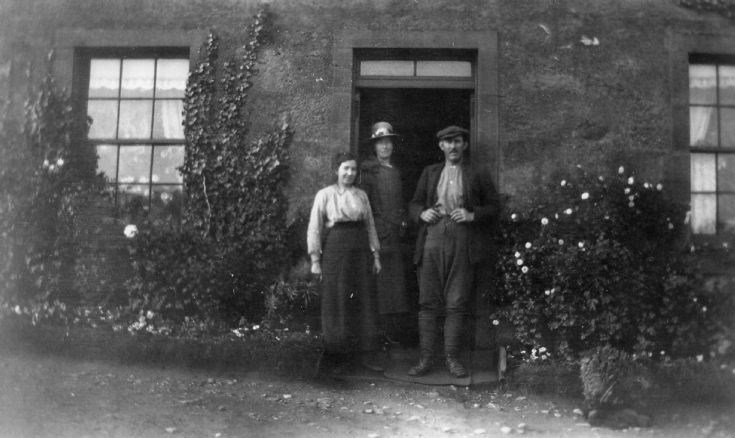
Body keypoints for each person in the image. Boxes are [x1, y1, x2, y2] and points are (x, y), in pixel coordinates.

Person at [407, 125, 500, 378]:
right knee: (427, 302)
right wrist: (421, 213)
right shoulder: (430, 172)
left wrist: (472, 214)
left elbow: (494, 207)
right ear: (441, 146)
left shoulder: (476, 173)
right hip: (433, 237)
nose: (453, 146)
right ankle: (426, 359)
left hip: (463, 239)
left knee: (456, 302)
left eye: (457, 141)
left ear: (464, 145)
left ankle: (451, 358)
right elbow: (414, 203)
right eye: (448, 142)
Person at [307, 152, 384, 374]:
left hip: (360, 249)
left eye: (353, 169)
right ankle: (337, 357)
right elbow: (315, 227)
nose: (350, 173)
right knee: (337, 299)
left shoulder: (361, 195)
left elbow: (370, 225)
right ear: (337, 170)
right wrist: (315, 259)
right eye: (345, 169)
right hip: (336, 247)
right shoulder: (325, 195)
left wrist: (376, 255)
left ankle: (365, 355)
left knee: (364, 300)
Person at [359, 122, 411, 343]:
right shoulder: (369, 171)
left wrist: (404, 221)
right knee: (381, 285)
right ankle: (379, 334)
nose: (385, 147)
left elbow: (401, 202)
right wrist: (378, 230)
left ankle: (393, 333)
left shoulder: (397, 171)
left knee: (396, 286)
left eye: (388, 142)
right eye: (381, 143)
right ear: (375, 146)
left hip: (396, 235)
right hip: (380, 235)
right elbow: (365, 205)